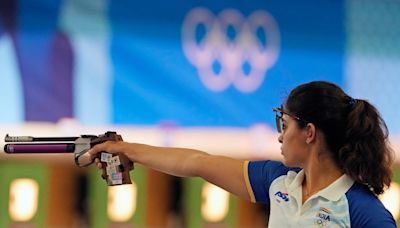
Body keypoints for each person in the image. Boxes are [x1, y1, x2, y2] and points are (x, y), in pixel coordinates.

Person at [89, 81, 396, 227]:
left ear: (310, 133)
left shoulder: (362, 212)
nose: (280, 134)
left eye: (285, 124)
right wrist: (126, 149)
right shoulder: (279, 182)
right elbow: (196, 162)